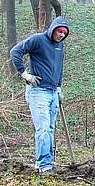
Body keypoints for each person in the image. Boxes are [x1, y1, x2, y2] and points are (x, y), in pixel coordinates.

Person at [10, 16, 70, 175]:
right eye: (59, 31)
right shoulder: (37, 40)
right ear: (53, 29)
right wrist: (25, 74)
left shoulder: (60, 46)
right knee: (43, 128)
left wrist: (58, 87)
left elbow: (59, 67)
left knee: (50, 129)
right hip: (38, 91)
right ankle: (44, 166)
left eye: (64, 33)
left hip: (53, 92)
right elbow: (15, 51)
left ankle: (45, 162)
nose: (61, 35)